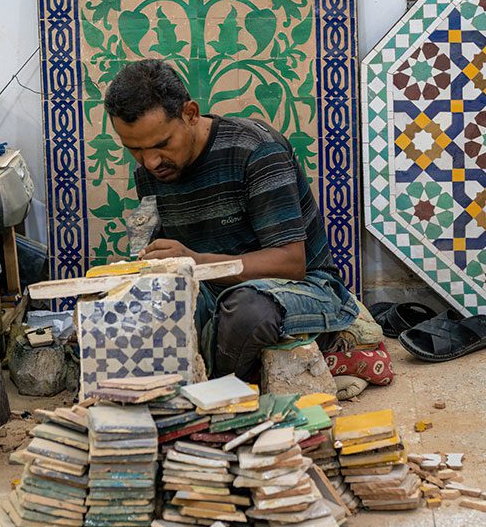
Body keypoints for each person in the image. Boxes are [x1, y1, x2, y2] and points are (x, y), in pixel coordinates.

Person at [103, 59, 362, 382]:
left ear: (191, 114)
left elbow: (290, 263)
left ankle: (212, 396)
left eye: (162, 144)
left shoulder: (255, 149)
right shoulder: (152, 170)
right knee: (147, 304)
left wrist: (197, 262)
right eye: (135, 150)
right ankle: (188, 387)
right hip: (212, 290)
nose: (151, 161)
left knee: (246, 312)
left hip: (300, 289)